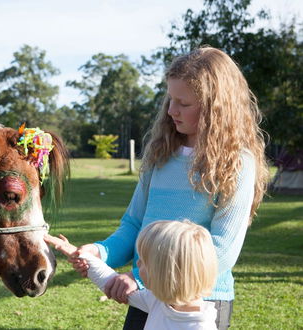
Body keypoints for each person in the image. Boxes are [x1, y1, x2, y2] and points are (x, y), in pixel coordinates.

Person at [61, 47, 270, 330]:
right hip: (147, 294)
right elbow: (134, 224)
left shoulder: (237, 164)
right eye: (170, 99)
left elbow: (221, 250)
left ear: (214, 107)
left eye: (183, 103)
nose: (171, 110)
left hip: (201, 304)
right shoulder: (161, 154)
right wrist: (101, 252)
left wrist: (140, 278)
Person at [45, 220, 218, 329]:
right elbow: (110, 280)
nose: (137, 264)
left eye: (144, 260)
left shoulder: (200, 326)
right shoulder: (158, 302)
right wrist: (77, 253)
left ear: (165, 272)